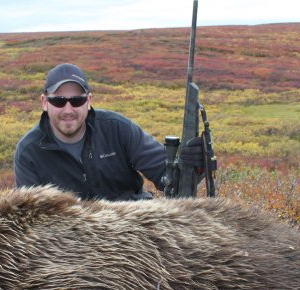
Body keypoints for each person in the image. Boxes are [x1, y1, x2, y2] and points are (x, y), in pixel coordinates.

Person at [14, 63, 204, 201]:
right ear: (44, 102)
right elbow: (32, 219)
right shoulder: (29, 152)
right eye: (59, 101)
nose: (68, 110)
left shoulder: (117, 129)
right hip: (68, 244)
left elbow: (169, 178)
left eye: (77, 101)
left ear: (89, 101)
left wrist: (194, 165)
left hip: (133, 228)